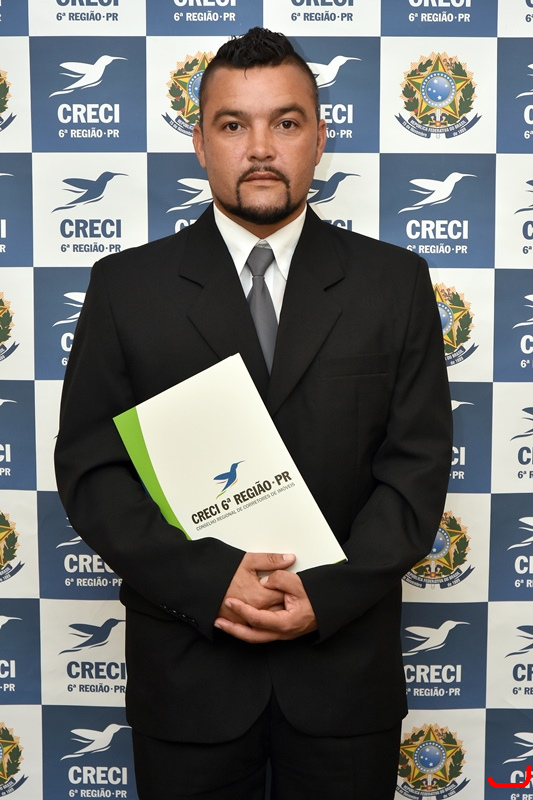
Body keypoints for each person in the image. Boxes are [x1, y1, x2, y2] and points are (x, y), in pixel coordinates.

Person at [54, 27, 452, 800]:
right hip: (188, 679)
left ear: (319, 139)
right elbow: (92, 473)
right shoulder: (126, 288)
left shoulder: (393, 284)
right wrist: (211, 584)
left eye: (286, 122)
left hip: (343, 681)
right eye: (233, 124)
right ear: (200, 143)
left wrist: (324, 596)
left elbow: (415, 469)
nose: (261, 147)